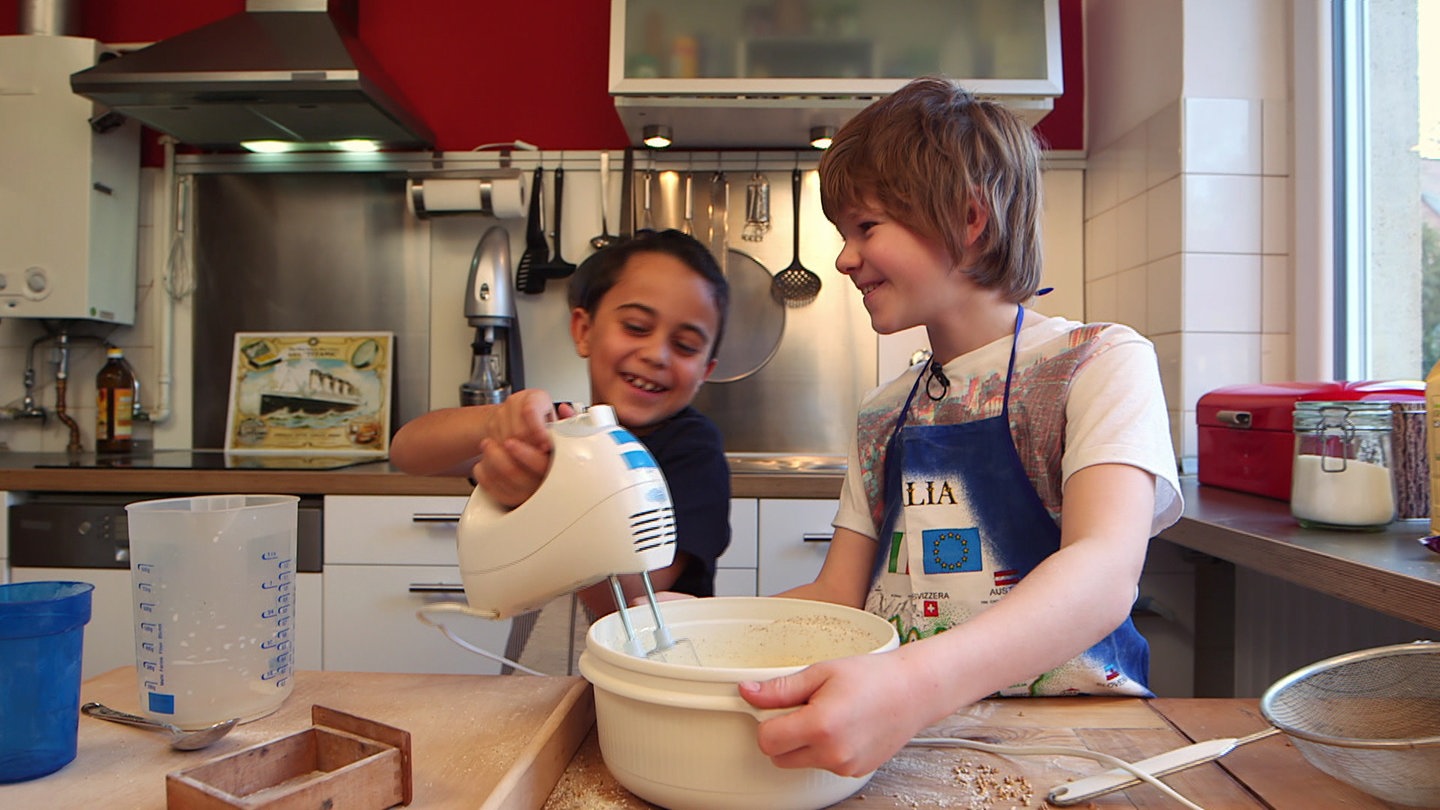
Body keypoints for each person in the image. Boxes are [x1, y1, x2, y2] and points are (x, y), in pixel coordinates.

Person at [736, 78, 1184, 776]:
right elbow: (836, 597)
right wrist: (705, 624)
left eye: (866, 226)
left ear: (969, 217)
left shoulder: (1096, 361)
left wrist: (913, 684)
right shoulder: (885, 409)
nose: (844, 257)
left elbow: (1103, 572)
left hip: (1074, 744)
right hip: (911, 742)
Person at [390, 228, 733, 621]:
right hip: (537, 664)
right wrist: (497, 421)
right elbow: (407, 451)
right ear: (584, 330)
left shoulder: (694, 450)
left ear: (705, 370)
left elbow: (634, 602)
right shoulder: (557, 430)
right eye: (636, 327)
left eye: (685, 346)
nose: (656, 354)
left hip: (642, 671)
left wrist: (554, 505)